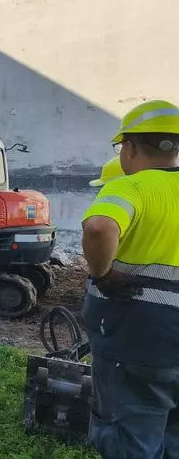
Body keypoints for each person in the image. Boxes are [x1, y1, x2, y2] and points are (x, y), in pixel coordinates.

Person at [80, 99, 179, 458]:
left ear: (131, 146)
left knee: (130, 437)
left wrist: (103, 274)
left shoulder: (131, 187)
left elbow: (100, 227)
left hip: (139, 342)